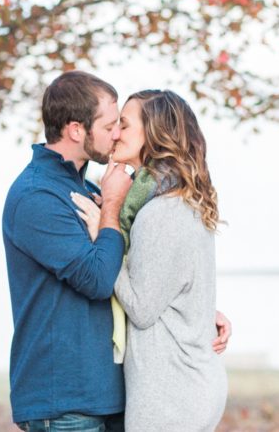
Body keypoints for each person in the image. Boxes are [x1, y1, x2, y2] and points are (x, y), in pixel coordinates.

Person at [3, 72, 230, 432]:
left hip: (111, 393)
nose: (116, 134)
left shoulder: (98, 193)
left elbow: (145, 273)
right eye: (111, 124)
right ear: (77, 130)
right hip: (65, 399)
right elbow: (97, 278)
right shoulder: (39, 197)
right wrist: (109, 207)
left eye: (122, 124)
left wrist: (194, 309)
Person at [72, 90, 227, 432]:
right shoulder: (166, 202)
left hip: (172, 394)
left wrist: (105, 229)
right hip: (181, 385)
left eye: (124, 125)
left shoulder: (162, 211)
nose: (114, 133)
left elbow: (141, 309)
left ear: (154, 134)